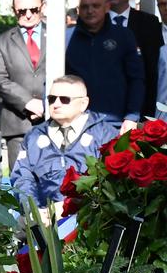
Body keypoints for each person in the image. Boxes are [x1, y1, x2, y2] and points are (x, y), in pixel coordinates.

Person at [10, 75, 120, 218]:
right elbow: (22, 177)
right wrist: (34, 210)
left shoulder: (105, 135)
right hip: (44, 222)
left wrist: (73, 206)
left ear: (83, 103)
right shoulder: (34, 136)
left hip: (91, 220)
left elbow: (112, 184)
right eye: (51, 99)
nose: (56, 104)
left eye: (64, 99)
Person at [66, 0, 143, 131]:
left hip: (115, 123)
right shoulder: (66, 39)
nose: (90, 11)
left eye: (95, 6)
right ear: (78, 10)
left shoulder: (124, 36)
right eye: (84, 7)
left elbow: (137, 79)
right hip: (75, 124)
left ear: (107, 7)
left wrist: (132, 116)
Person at [0, 0, 48, 168]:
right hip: (18, 124)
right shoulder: (2, 41)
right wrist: (27, 102)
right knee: (22, 186)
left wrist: (47, 102)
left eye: (34, 9)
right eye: (22, 11)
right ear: (14, 11)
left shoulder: (57, 35)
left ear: (43, 6)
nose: (29, 15)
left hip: (55, 118)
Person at [101, 0, 161, 116]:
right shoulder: (95, 23)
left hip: (140, 108)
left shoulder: (149, 23)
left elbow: (154, 70)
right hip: (102, 110)